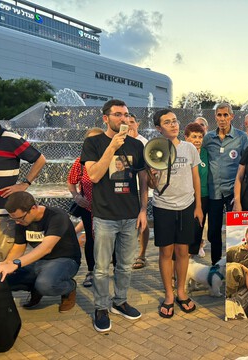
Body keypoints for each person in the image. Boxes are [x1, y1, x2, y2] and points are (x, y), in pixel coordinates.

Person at [81, 99, 147, 332]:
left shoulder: (136, 145)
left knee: (125, 265)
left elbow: (143, 179)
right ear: (106, 118)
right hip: (105, 216)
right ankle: (101, 307)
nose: (124, 119)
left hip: (130, 215)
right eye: (118, 115)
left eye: (127, 115)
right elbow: (95, 176)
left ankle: (119, 301)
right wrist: (112, 147)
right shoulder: (93, 143)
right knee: (101, 267)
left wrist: (143, 210)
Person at [0, 191, 80, 313]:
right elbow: (18, 248)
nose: (17, 222)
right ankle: (36, 289)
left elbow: (46, 248)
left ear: (33, 208)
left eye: (19, 218)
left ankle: (69, 288)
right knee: (2, 279)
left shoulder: (57, 216)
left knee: (45, 284)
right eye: (13, 218)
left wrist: (16, 264)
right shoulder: (22, 220)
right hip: (39, 262)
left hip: (65, 260)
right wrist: (5, 264)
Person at [150, 109, 203, 318]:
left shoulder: (189, 148)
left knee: (183, 252)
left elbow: (196, 178)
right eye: (167, 122)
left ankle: (181, 291)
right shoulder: (154, 150)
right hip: (163, 206)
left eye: (175, 121)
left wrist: (198, 206)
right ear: (158, 128)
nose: (173, 125)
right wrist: (152, 175)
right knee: (165, 252)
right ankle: (169, 295)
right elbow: (152, 184)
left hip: (187, 205)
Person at [0, 102, 46, 268]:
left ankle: (6, 293)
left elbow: (40, 159)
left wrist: (25, 183)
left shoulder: (11, 139)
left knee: (6, 259)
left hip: (3, 211)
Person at [203, 102, 248, 265]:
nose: (222, 118)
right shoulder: (208, 138)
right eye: (219, 115)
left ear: (232, 116)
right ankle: (216, 265)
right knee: (214, 232)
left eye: (225, 115)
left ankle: (234, 265)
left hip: (232, 192)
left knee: (235, 230)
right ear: (215, 117)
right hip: (213, 190)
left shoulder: (241, 137)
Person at [67, 127, 104, 287]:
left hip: (109, 208)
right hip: (88, 208)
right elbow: (71, 181)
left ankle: (115, 271)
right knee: (90, 238)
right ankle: (91, 271)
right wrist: (77, 196)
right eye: (91, 141)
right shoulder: (80, 161)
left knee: (113, 239)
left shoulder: (111, 159)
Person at [126, 113, 151, 270]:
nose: (129, 125)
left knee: (142, 220)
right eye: (126, 122)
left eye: (132, 122)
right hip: (124, 188)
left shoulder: (144, 143)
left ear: (138, 124)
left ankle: (142, 254)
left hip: (139, 187)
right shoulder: (118, 140)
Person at [184, 122, 209, 258]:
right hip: (186, 198)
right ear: (186, 137)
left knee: (197, 231)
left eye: (200, 137)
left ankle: (190, 260)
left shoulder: (206, 153)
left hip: (203, 197)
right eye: (194, 136)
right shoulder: (181, 152)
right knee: (185, 232)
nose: (197, 140)